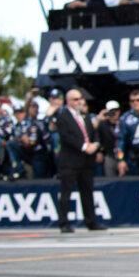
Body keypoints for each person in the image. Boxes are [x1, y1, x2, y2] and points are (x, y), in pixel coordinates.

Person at [55, 89, 106, 232]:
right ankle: (64, 223)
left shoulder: (85, 115)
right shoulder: (63, 116)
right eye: (76, 99)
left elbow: (92, 132)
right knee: (66, 192)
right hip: (70, 161)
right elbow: (66, 137)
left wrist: (95, 145)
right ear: (69, 101)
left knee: (87, 192)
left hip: (86, 161)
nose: (79, 102)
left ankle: (91, 221)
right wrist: (84, 146)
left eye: (80, 99)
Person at [14, 99, 52, 179]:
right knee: (10, 144)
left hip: (39, 153)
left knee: (39, 176)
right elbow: (17, 134)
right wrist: (22, 138)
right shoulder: (22, 123)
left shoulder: (42, 122)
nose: (34, 109)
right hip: (25, 151)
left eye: (36, 107)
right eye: (32, 106)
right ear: (28, 108)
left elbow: (47, 138)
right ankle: (18, 168)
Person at [96, 100, 120, 178]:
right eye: (111, 111)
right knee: (110, 178)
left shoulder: (124, 122)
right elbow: (96, 137)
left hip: (122, 155)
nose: (113, 113)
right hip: (109, 155)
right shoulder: (102, 124)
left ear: (119, 111)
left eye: (115, 110)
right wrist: (99, 151)